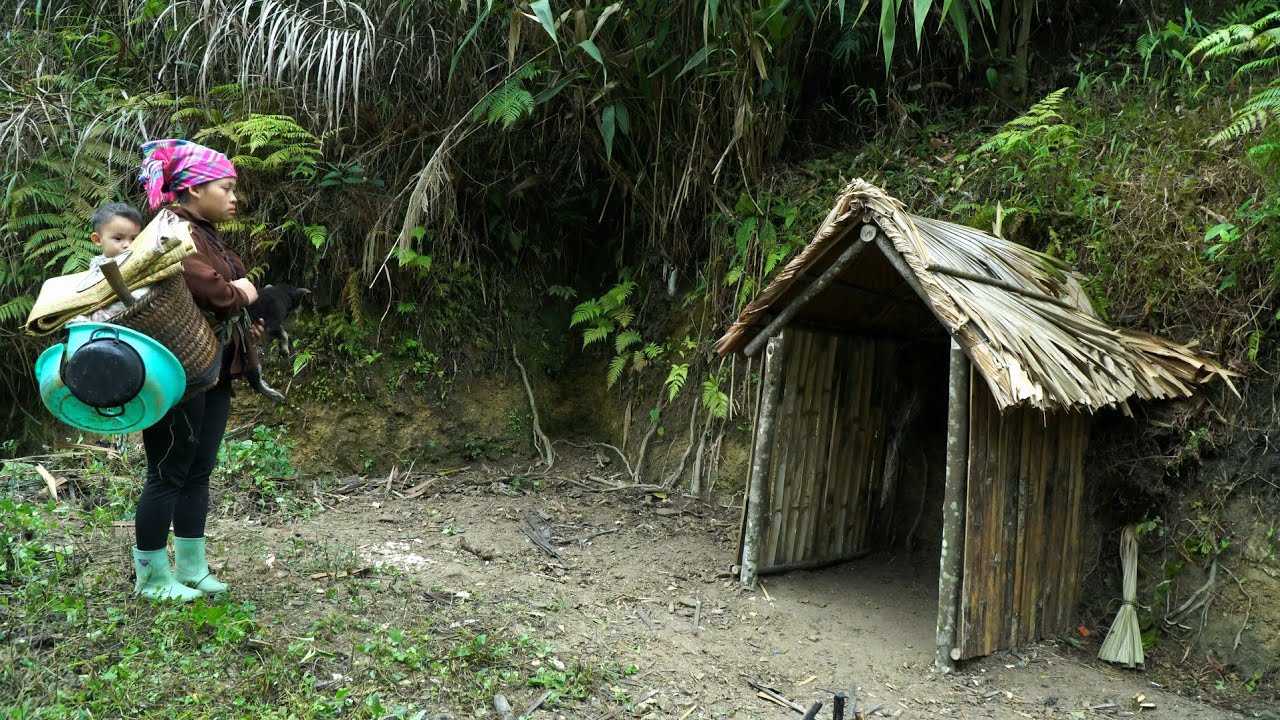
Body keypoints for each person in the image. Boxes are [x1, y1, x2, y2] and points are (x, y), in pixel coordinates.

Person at [130, 139, 265, 602]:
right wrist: (242, 291)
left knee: (199, 470)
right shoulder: (170, 229)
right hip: (180, 369)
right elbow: (219, 294)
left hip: (216, 367)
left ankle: (190, 567)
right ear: (191, 188)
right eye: (225, 188)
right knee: (168, 471)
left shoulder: (203, 232)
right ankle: (150, 577)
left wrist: (241, 294)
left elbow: (229, 290)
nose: (233, 197)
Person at [70, 203, 149, 323]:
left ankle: (92, 321)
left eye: (133, 238)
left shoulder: (140, 260)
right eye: (118, 238)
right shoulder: (97, 266)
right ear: (97, 240)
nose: (127, 244)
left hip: (132, 312)